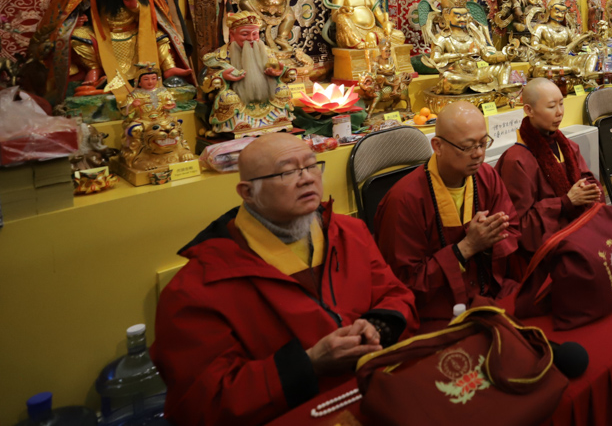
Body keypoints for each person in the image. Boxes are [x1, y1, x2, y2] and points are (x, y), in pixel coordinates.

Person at [153, 134, 415, 426]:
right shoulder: (197, 287)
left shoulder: (350, 232)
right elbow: (202, 403)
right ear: (248, 192)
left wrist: (377, 327)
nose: (307, 179)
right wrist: (309, 364)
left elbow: (395, 295)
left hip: (374, 395)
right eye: (287, 172)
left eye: (312, 166)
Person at [374, 102, 518, 322]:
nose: (479, 154)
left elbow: (512, 230)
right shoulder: (404, 200)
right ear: (438, 146)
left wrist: (490, 241)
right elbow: (402, 283)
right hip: (435, 312)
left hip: (488, 291)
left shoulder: (487, 177)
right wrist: (465, 248)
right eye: (468, 147)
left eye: (483, 143)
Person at [496, 78, 600, 274]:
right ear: (529, 110)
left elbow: (589, 180)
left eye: (561, 103)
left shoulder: (567, 146)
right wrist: (565, 203)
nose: (560, 112)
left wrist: (589, 191)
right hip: (545, 253)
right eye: (552, 106)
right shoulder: (516, 161)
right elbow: (520, 225)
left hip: (577, 232)